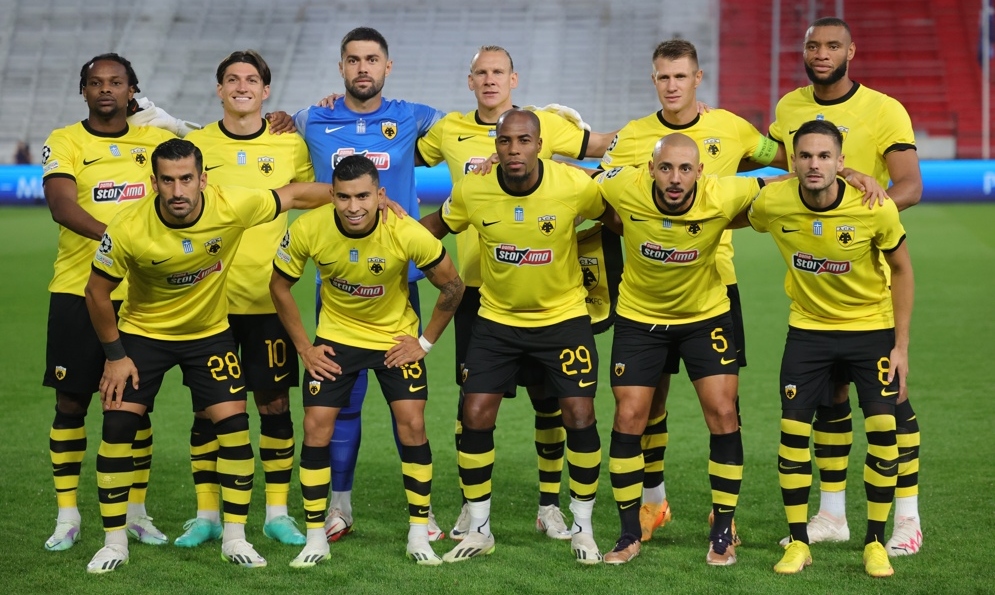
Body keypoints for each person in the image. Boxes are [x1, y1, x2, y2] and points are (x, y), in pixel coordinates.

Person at [82, 138, 333, 573]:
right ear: (154, 182)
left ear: (202, 179)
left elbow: (293, 194)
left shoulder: (231, 205)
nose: (177, 191)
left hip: (208, 334)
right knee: (119, 424)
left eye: (186, 179)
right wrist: (115, 356)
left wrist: (361, 197)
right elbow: (96, 292)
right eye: (167, 181)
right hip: (144, 334)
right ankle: (114, 543)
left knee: (234, 426)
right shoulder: (128, 226)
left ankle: (234, 538)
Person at [415, 44, 617, 542]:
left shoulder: (557, 146)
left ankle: (556, 508)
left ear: (513, 79)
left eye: (498, 72)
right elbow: (408, 168)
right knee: (472, 405)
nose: (489, 79)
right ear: (470, 81)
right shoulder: (454, 144)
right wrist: (390, 229)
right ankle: (473, 512)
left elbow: (608, 174)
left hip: (556, 307)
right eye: (481, 72)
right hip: (481, 297)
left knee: (557, 405)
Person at [599, 39, 785, 543]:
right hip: (650, 287)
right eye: (663, 77)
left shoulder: (732, 127)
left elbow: (781, 158)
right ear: (654, 80)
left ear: (697, 79)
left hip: (715, 282)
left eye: (680, 76)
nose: (672, 85)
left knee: (724, 405)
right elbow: (601, 189)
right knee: (649, 402)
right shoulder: (634, 136)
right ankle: (653, 502)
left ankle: (724, 513)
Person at [768, 17, 924, 556]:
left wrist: (853, 213)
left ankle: (908, 519)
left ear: (850, 51)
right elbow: (783, 168)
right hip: (816, 294)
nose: (822, 53)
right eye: (813, 45)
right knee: (830, 403)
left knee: (892, 406)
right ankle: (832, 515)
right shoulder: (789, 107)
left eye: (833, 45)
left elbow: (910, 186)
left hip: (868, 280)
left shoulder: (884, 109)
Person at [270, 154, 464, 568]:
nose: (353, 206)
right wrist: (305, 347)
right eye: (343, 197)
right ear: (332, 196)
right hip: (337, 339)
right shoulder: (308, 229)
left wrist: (424, 343)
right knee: (315, 426)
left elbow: (453, 286)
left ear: (380, 195)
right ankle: (316, 537)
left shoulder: (406, 231)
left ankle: (419, 533)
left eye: (362, 196)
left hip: (394, 339)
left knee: (412, 423)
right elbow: (279, 286)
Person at [291, 26, 446, 542]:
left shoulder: (414, 117)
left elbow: (474, 128)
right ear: (341, 67)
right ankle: (339, 506)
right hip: (336, 288)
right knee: (341, 404)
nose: (363, 68)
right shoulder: (311, 119)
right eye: (353, 60)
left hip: (398, 286)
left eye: (372, 59)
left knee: (409, 409)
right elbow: (265, 129)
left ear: (387, 66)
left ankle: (423, 514)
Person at [743, 120, 912, 578]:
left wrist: (901, 346)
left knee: (883, 429)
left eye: (824, 156)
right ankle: (799, 541)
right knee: (792, 432)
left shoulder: (874, 206)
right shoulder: (774, 201)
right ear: (793, 161)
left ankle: (874, 542)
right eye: (804, 156)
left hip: (870, 329)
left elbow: (902, 269)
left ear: (841, 162)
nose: (814, 164)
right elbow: (733, 214)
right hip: (808, 331)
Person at [174, 49, 315, 548]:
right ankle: (207, 515)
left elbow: (316, 193)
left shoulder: (289, 143)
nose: (241, 86)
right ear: (219, 89)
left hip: (267, 300)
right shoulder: (197, 145)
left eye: (251, 79)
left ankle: (276, 513)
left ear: (265, 90)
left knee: (274, 404)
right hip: (207, 303)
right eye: (231, 79)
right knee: (207, 409)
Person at [40, 53, 177, 553]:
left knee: (132, 408)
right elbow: (61, 205)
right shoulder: (65, 141)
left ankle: (136, 512)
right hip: (77, 290)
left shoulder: (155, 141)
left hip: (140, 297)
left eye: (116, 82)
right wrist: (119, 241)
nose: (105, 89)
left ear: (131, 90)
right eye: (95, 82)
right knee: (70, 402)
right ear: (83, 90)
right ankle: (67, 516)